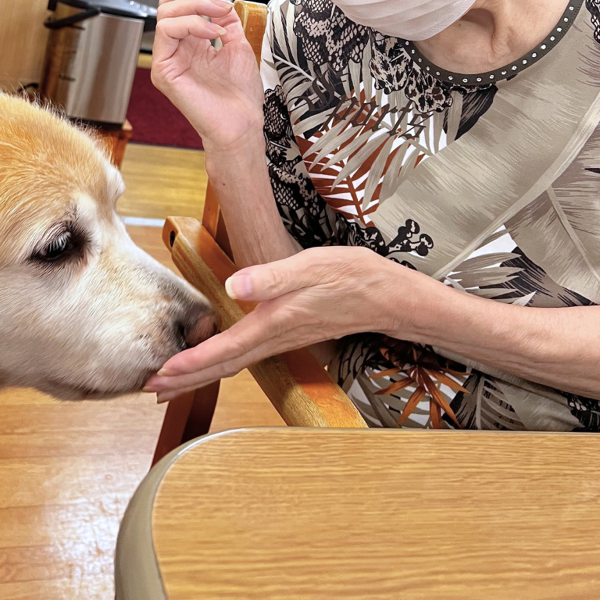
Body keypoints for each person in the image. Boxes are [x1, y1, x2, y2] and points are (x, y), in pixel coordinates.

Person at [144, 0, 600, 431]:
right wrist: (235, 143)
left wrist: (404, 306)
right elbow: (306, 329)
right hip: (361, 435)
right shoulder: (309, 35)